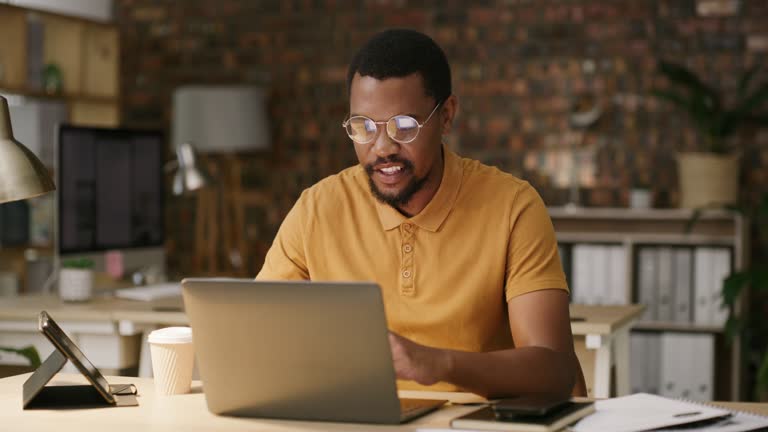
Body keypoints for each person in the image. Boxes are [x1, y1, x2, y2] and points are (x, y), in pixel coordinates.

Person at [257, 29, 585, 399]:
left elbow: (554, 369)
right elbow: (261, 340)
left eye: (404, 126)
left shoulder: (513, 207)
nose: (382, 148)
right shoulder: (317, 208)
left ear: (446, 116)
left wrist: (435, 364)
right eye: (363, 126)